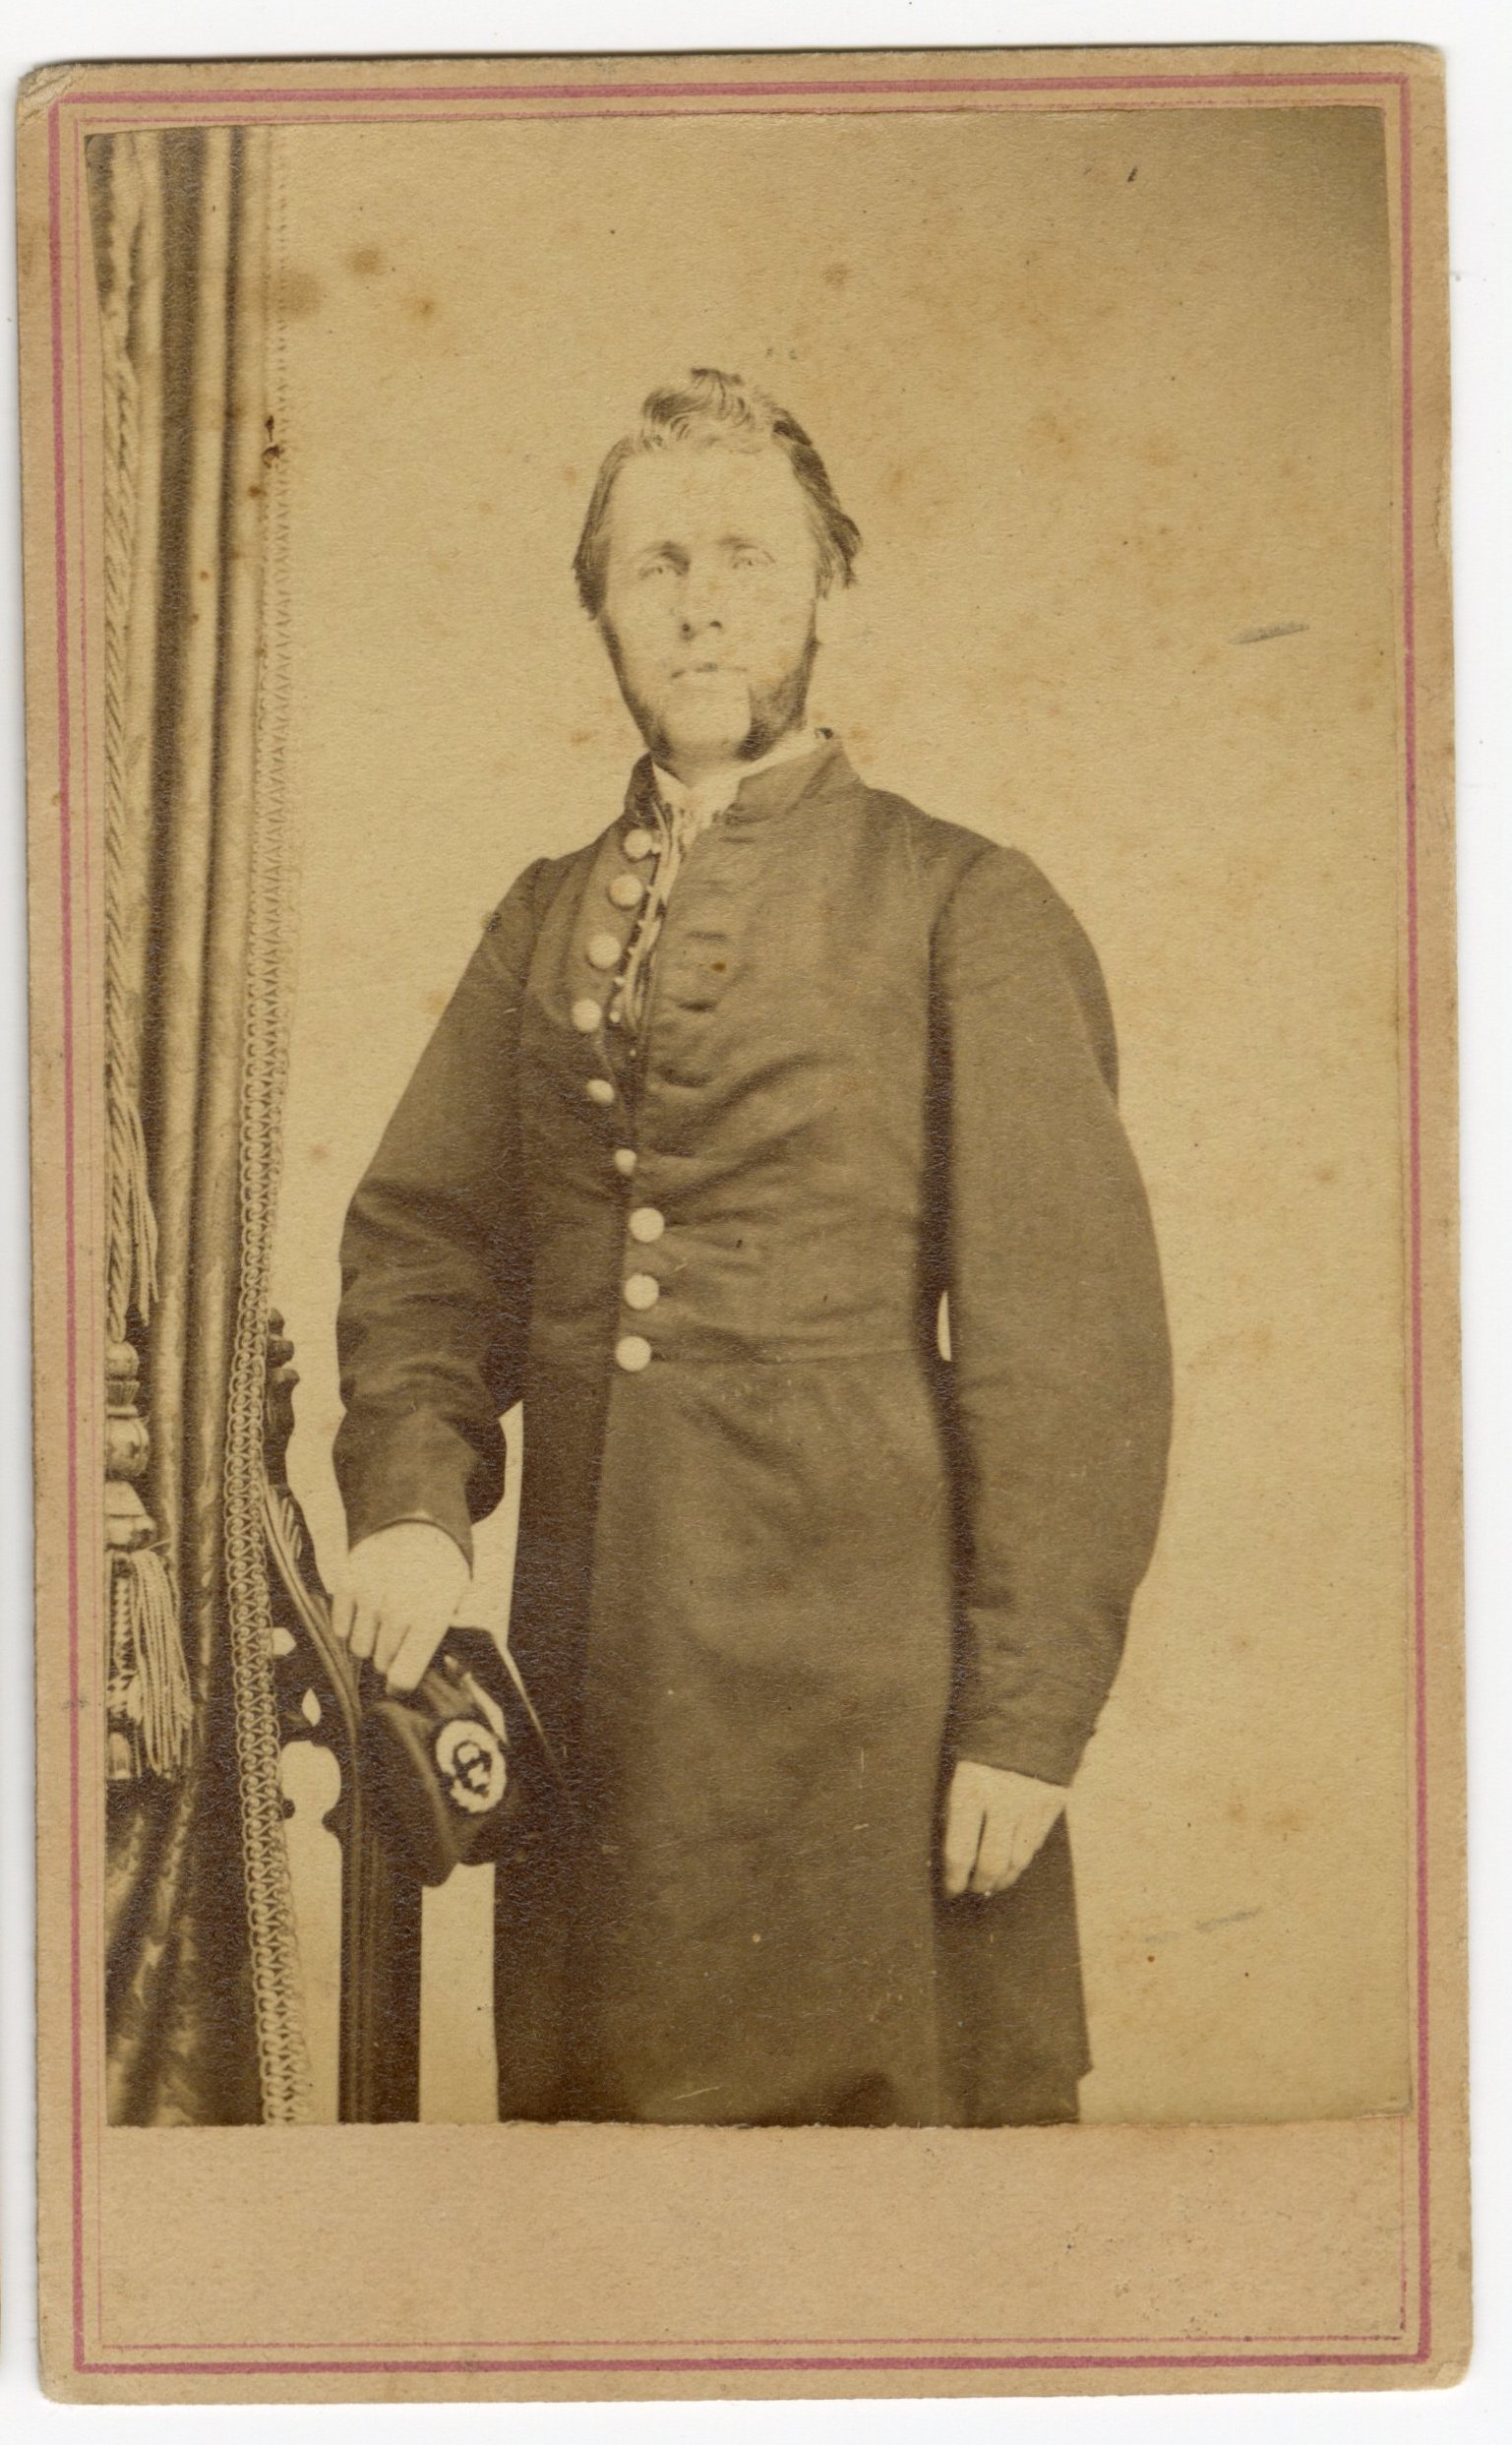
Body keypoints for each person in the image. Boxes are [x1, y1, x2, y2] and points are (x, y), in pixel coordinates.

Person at [331, 368, 1172, 2126]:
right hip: (605, 1670)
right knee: (616, 2196)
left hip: (874, 1687)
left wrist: (1025, 1718)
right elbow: (425, 1244)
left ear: (826, 588)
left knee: (889, 2201)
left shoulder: (961, 902)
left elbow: (1068, 1348)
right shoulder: (542, 913)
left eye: (744, 559)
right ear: (600, 610)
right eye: (655, 566)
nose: (700, 605)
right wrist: (413, 1501)